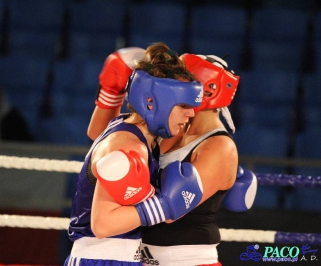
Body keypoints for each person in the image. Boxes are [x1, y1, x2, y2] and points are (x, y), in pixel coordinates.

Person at [87, 52, 258, 265]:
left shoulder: (220, 147)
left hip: (189, 260)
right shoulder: (170, 126)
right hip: (141, 257)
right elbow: (104, 141)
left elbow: (173, 209)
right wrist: (111, 94)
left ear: (204, 89)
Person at [64, 42, 205, 266]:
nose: (191, 113)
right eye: (183, 106)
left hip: (119, 257)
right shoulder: (128, 146)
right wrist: (164, 206)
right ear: (152, 103)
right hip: (101, 259)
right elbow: (103, 225)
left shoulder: (129, 128)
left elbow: (95, 133)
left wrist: (112, 93)